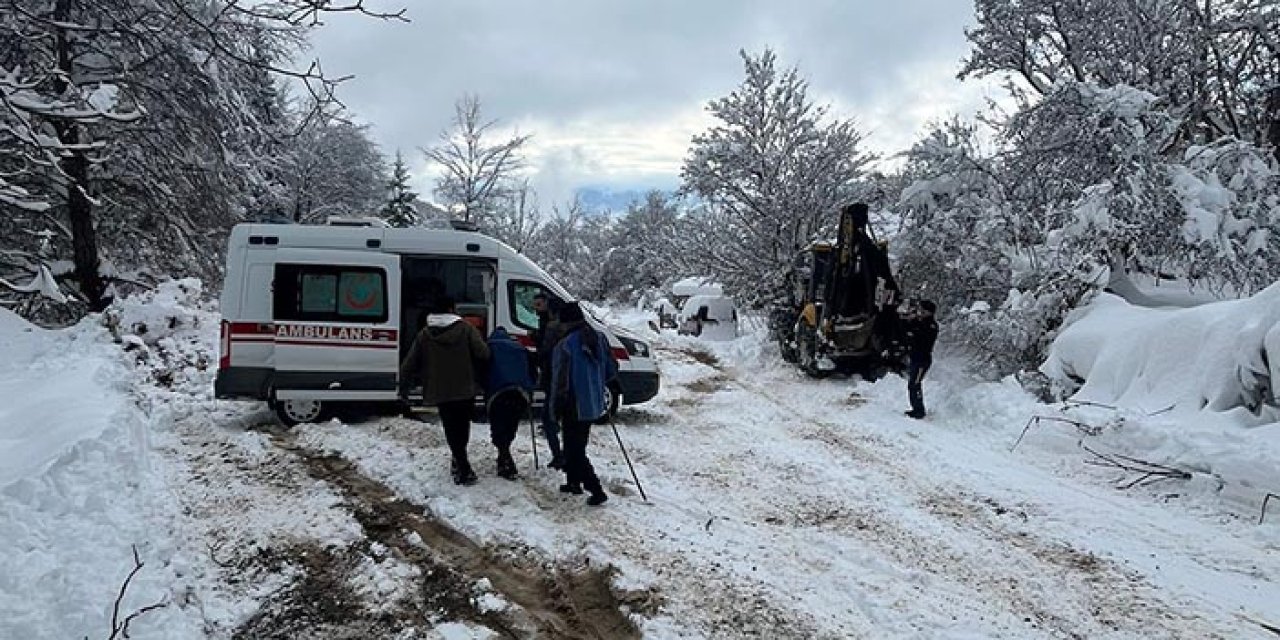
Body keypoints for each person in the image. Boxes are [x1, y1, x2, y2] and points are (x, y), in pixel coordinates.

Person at [400, 296, 490, 485]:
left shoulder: (425, 334)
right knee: (462, 426)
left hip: (439, 389)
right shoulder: (466, 329)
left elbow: (410, 362)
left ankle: (458, 460)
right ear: (452, 309)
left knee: (450, 426)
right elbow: (483, 353)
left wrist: (404, 385)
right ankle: (463, 465)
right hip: (464, 387)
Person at [548, 301, 617, 506]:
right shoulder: (599, 338)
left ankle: (595, 489)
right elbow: (612, 370)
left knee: (574, 451)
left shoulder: (565, 345)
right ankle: (573, 483)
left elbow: (560, 381)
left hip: (573, 403)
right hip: (593, 402)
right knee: (575, 443)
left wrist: (555, 408)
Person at [485, 326, 535, 480]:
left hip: (497, 394)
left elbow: (482, 370)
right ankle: (504, 457)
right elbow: (532, 370)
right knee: (510, 426)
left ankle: (504, 458)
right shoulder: (520, 348)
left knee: (498, 428)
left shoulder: (489, 348)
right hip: (519, 394)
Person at [530, 293, 566, 469]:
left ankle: (559, 456)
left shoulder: (553, 327)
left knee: (548, 416)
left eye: (539, 305)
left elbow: (546, 351)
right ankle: (564, 455)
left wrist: (533, 356)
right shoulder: (567, 327)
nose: (536, 309)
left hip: (553, 376)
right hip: (562, 378)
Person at [901, 299, 938, 419]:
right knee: (913, 384)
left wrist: (913, 331)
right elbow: (906, 328)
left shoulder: (931, 326)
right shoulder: (918, 322)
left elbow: (921, 338)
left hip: (922, 360)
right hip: (915, 357)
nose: (920, 312)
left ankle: (919, 410)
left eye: (923, 310)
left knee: (915, 384)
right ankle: (916, 408)